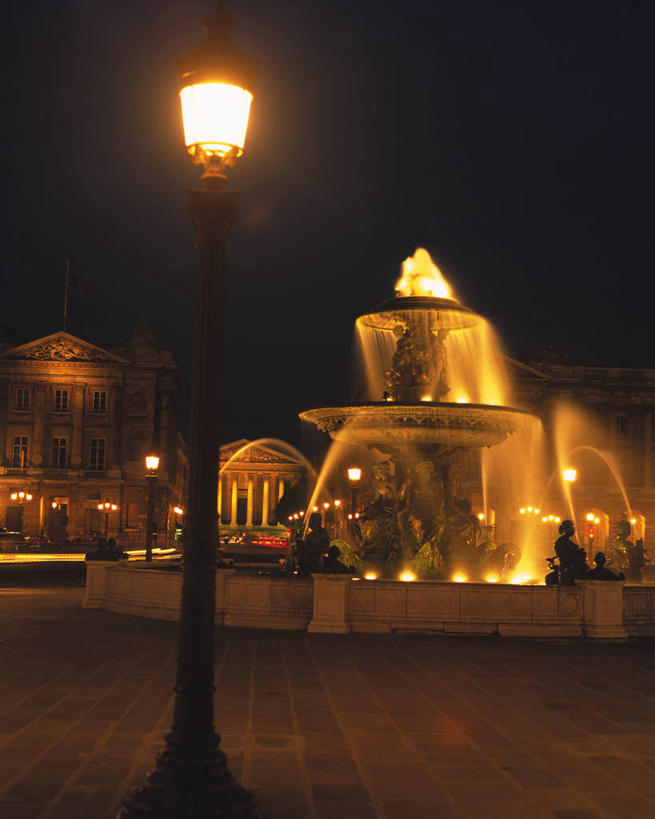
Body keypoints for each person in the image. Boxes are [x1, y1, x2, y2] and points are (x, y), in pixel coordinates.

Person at [554, 520, 588, 584]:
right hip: (568, 568)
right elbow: (565, 555)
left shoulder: (567, 541)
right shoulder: (563, 542)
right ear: (566, 529)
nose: (573, 529)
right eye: (571, 527)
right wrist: (577, 554)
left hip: (571, 566)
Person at [297, 512, 330, 576]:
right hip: (307, 563)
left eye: (312, 520)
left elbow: (326, 548)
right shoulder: (310, 534)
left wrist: (310, 550)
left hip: (317, 563)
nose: (310, 522)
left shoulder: (323, 533)